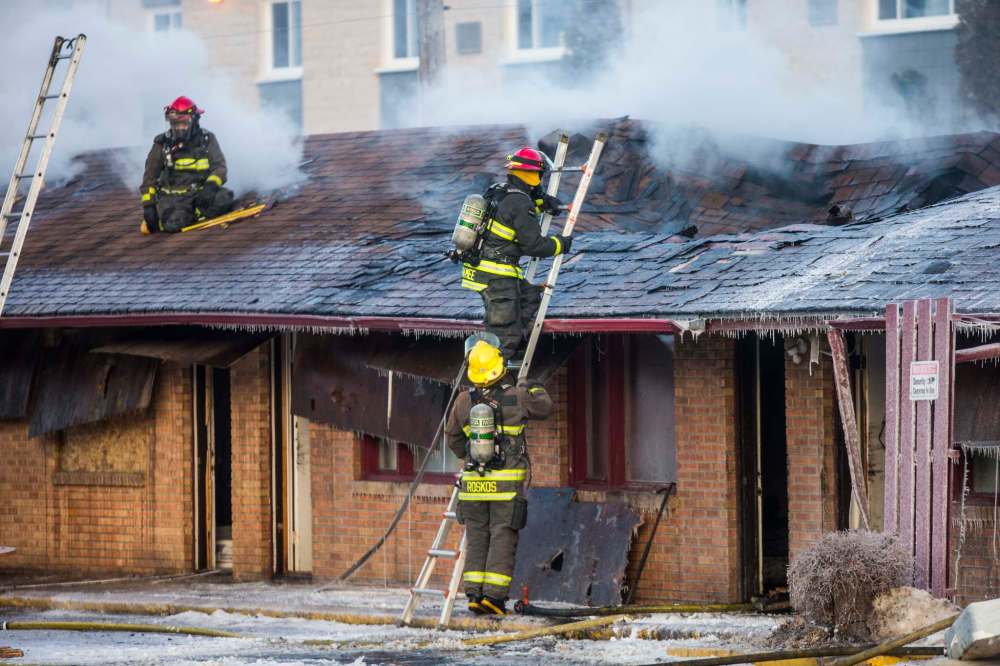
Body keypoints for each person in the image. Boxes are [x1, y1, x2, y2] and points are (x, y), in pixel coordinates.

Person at [445, 335, 554, 615]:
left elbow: (454, 441)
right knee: (502, 536)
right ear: (498, 367)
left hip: (473, 484)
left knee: (478, 536)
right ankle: (493, 598)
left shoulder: (462, 402)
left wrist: (472, 458)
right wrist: (533, 386)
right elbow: (545, 407)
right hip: (505, 485)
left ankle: (474, 595)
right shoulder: (516, 397)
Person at [460, 147, 572, 366]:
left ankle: (512, 349)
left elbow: (509, 214)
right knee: (504, 333)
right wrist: (561, 244)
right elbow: (534, 245)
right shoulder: (520, 202)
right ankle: (493, 376)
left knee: (530, 297)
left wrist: (543, 204)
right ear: (533, 174)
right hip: (496, 275)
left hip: (486, 271)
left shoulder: (498, 190)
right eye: (540, 175)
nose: (541, 180)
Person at [139, 96, 234, 234]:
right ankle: (173, 218)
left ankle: (196, 212)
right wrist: (148, 206)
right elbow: (149, 178)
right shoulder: (162, 144)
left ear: (194, 120)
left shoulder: (207, 139)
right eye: (175, 124)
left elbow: (220, 167)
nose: (179, 128)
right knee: (174, 225)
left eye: (183, 124)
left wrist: (210, 187)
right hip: (173, 199)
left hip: (200, 194)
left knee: (224, 198)